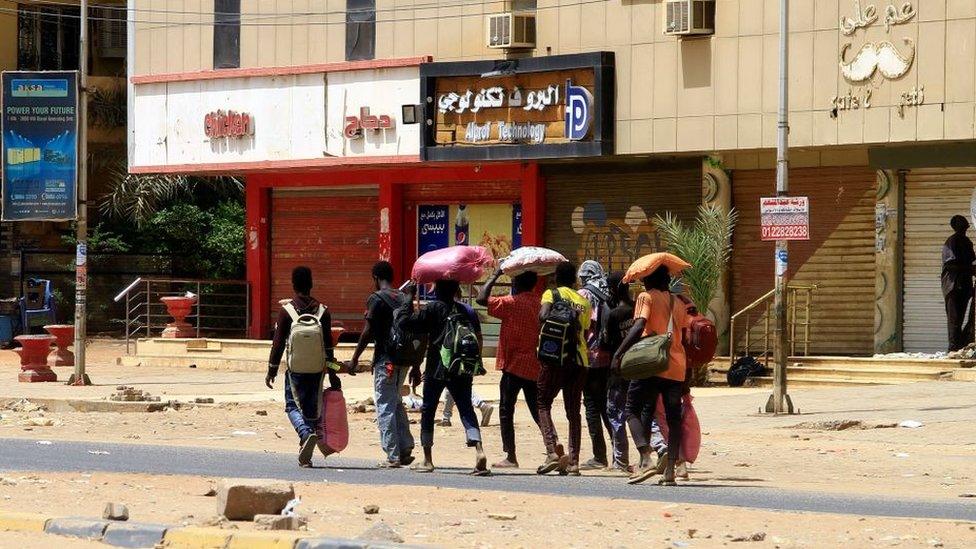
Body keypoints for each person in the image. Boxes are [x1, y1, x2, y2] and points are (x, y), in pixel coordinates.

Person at [402, 279, 489, 475]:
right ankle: (479, 451)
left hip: (437, 367)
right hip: (462, 367)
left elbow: (408, 324)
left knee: (429, 409)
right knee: (466, 407)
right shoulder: (467, 310)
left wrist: (409, 296)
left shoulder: (432, 308)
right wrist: (476, 365)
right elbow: (479, 337)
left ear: (438, 291)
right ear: (456, 290)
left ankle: (427, 459)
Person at [612, 265, 689, 486]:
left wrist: (619, 353)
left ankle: (646, 456)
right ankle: (670, 472)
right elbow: (681, 337)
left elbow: (639, 326)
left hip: (651, 363)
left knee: (631, 409)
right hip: (676, 366)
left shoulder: (646, 297)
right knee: (674, 420)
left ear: (650, 280)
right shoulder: (679, 302)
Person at [266, 266, 340, 467]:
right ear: (311, 284)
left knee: (292, 405)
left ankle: (305, 433)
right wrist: (333, 372)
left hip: (295, 370)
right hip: (317, 369)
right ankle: (304, 452)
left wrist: (271, 370)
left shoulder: (287, 311)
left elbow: (278, 344)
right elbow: (328, 347)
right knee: (310, 407)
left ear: (293, 284)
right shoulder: (323, 311)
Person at [347, 261, 416, 468]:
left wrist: (354, 358)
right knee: (394, 401)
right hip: (403, 360)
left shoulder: (376, 299)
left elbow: (368, 331)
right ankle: (405, 447)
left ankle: (393, 455)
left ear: (375, 278)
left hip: (385, 359)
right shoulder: (404, 298)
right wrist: (417, 365)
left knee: (385, 405)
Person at [476, 267, 543, 469]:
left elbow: (481, 299)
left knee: (506, 410)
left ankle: (511, 455)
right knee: (538, 409)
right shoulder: (539, 303)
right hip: (532, 364)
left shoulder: (510, 303)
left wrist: (496, 275)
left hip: (512, 364)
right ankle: (552, 447)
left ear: (518, 283)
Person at [536, 261, 591, 476]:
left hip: (554, 359)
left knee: (542, 402)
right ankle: (574, 462)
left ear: (556, 278)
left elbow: (542, 316)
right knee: (573, 412)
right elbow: (585, 328)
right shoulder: (583, 301)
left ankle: (551, 451)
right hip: (579, 360)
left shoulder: (551, 294)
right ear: (575, 279)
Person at [577, 260, 614, 471]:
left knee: (591, 405)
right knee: (608, 406)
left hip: (590, 356)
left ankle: (599, 456)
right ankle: (620, 453)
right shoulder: (608, 291)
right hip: (610, 356)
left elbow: (583, 324)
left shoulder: (584, 294)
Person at [438, 296, 494, 428]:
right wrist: (478, 358)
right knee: (461, 385)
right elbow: (479, 336)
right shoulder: (469, 310)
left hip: (452, 354)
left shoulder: (444, 308)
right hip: (468, 353)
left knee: (452, 383)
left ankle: (478, 406)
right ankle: (448, 416)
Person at [943, 215, 976, 352]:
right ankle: (952, 348)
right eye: (961, 222)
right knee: (954, 319)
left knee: (961, 317)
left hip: (964, 286)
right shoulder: (952, 241)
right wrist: (970, 269)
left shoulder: (967, 242)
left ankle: (959, 345)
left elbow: (972, 261)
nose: (964, 224)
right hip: (953, 285)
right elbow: (951, 264)